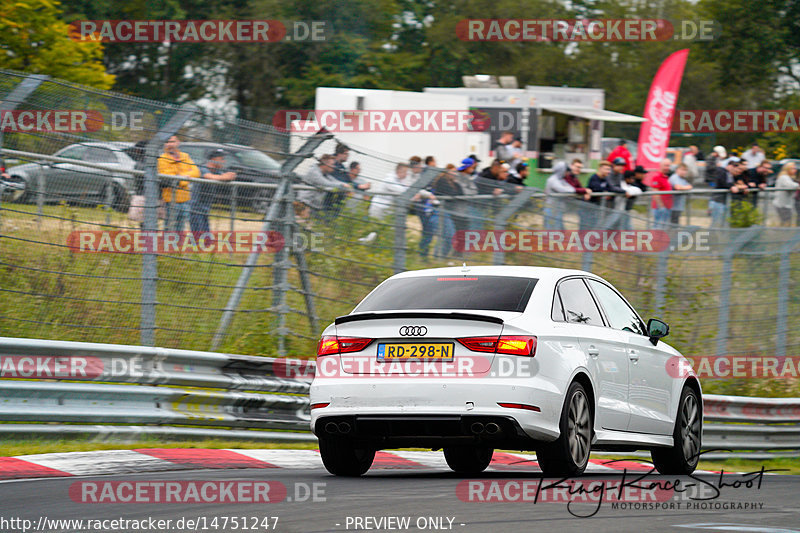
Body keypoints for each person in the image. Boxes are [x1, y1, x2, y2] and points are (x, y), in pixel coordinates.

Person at [158, 135, 199, 231]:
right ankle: (167, 245)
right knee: (170, 226)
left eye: (172, 142)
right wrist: (186, 178)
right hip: (171, 200)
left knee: (181, 228)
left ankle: (179, 245)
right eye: (167, 142)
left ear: (178, 142)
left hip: (186, 199)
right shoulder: (162, 159)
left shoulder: (185, 156)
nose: (170, 144)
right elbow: (168, 177)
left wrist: (180, 177)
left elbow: (196, 172)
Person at [190, 149, 236, 234]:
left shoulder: (216, 171)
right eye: (221, 159)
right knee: (198, 236)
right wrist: (225, 177)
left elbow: (223, 176)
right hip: (195, 210)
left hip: (205, 210)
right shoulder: (202, 169)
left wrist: (229, 175)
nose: (224, 161)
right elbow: (209, 176)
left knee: (206, 238)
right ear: (213, 159)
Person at [296, 154, 353, 221]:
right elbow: (326, 184)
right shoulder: (314, 172)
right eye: (332, 164)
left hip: (313, 206)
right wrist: (342, 186)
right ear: (325, 164)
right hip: (304, 205)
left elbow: (334, 181)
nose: (334, 167)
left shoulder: (324, 173)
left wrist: (344, 185)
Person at [431, 165, 463, 258]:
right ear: (447, 171)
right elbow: (451, 194)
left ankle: (440, 256)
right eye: (452, 171)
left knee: (449, 235)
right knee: (448, 235)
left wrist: (455, 191)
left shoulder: (453, 182)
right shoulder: (442, 181)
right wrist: (454, 194)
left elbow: (460, 193)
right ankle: (438, 256)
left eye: (455, 172)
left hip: (447, 212)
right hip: (440, 211)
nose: (455, 174)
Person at [647, 158, 673, 229]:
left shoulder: (666, 177)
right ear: (660, 166)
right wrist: (661, 206)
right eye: (665, 165)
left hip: (667, 207)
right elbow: (655, 192)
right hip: (659, 207)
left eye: (668, 166)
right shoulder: (657, 177)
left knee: (664, 226)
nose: (667, 168)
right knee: (658, 226)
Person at [772, 162, 799, 227]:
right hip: (782, 204)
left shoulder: (788, 177)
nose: (795, 170)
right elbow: (790, 185)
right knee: (786, 223)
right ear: (788, 169)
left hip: (786, 204)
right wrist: (797, 185)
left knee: (786, 222)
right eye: (793, 168)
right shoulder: (784, 177)